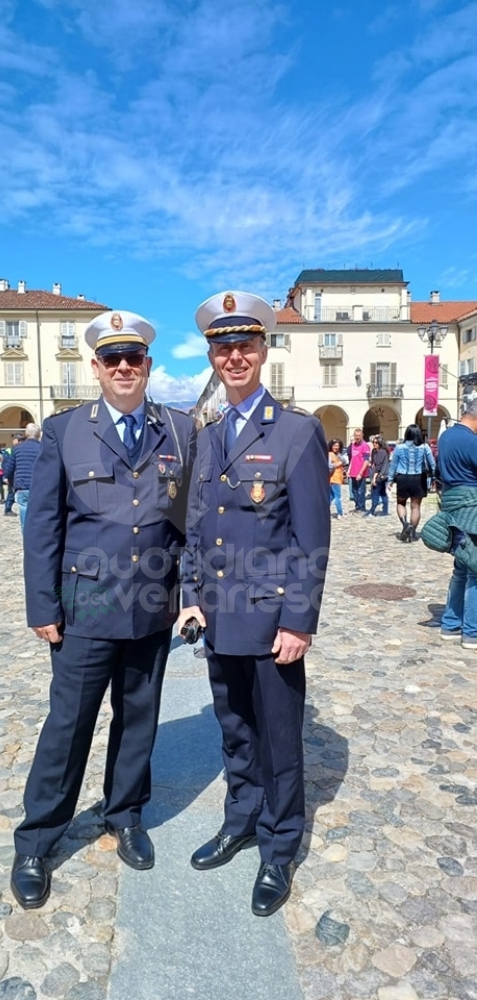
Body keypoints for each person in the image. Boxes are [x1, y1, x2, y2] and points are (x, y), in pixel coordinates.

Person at [10, 309, 197, 910]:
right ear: (95, 367)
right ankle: (37, 839)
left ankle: (126, 814)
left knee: (138, 718)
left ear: (148, 365)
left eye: (134, 358)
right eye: (111, 359)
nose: (123, 367)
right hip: (84, 607)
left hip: (151, 607)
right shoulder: (64, 432)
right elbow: (41, 527)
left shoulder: (180, 430)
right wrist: (43, 604)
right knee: (67, 727)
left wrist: (189, 595)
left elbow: (189, 523)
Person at [178, 291, 330, 918]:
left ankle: (279, 844)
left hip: (271, 622)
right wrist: (190, 597)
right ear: (212, 356)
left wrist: (299, 619)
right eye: (222, 346)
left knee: (279, 739)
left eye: (244, 345)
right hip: (218, 618)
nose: (233, 356)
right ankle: (241, 818)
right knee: (235, 730)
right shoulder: (208, 437)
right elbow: (194, 528)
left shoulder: (296, 432)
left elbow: (311, 538)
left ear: (264, 350)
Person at [421, 401, 477, 648]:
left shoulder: (446, 437)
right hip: (471, 506)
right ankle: (472, 632)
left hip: (452, 502)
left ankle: (451, 624)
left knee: (462, 568)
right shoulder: (471, 441)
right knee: (475, 572)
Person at [388, 424, 435, 541]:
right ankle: (413, 532)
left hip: (403, 477)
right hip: (419, 478)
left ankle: (405, 524)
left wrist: (389, 480)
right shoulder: (425, 447)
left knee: (401, 503)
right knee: (415, 506)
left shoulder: (399, 448)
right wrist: (434, 477)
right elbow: (432, 464)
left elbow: (393, 465)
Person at [1, 424, 41, 529]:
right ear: (39, 434)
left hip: (22, 485)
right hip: (38, 486)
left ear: (26, 434)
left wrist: (6, 477)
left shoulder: (17, 449)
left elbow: (10, 466)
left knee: (24, 510)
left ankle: (27, 537)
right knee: (39, 513)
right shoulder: (43, 448)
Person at [346, 428, 371, 512]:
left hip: (361, 473)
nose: (357, 437)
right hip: (353, 472)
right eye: (355, 435)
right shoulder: (353, 445)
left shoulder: (365, 446)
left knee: (361, 491)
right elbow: (353, 459)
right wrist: (349, 470)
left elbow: (366, 461)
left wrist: (360, 473)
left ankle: (361, 507)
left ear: (362, 435)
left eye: (358, 435)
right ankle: (357, 506)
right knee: (354, 491)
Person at [365, 436, 390, 517]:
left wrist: (374, 478)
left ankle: (372, 511)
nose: (374, 444)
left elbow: (378, 467)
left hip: (380, 475)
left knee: (375, 493)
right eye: (373, 442)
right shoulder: (374, 451)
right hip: (377, 474)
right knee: (382, 493)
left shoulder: (382, 452)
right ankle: (385, 511)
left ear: (380, 443)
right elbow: (373, 463)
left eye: (376, 443)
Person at [3, 434, 23, 516]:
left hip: (17, 474)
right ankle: (7, 509)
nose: (21, 442)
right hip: (13, 475)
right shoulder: (10, 451)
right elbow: (7, 465)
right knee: (11, 492)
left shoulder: (16, 450)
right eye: (20, 440)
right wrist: (6, 476)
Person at [328, 438, 348, 518]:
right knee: (338, 497)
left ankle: (325, 512)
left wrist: (341, 460)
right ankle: (340, 513)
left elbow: (345, 461)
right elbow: (329, 466)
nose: (336, 447)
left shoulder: (338, 454)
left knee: (331, 497)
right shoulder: (329, 454)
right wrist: (338, 463)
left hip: (338, 477)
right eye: (334, 445)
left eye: (337, 446)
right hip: (334, 478)